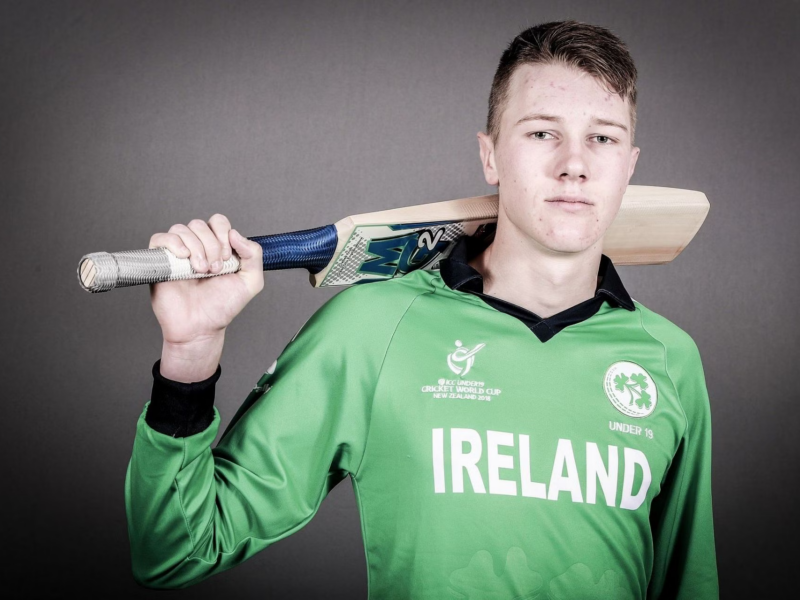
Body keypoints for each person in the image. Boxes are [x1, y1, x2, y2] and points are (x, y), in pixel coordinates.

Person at [126, 20, 719, 599]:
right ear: (490, 156)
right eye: (542, 133)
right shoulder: (372, 329)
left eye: (603, 138)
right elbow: (177, 549)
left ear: (629, 165)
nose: (575, 163)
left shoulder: (669, 361)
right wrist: (189, 355)